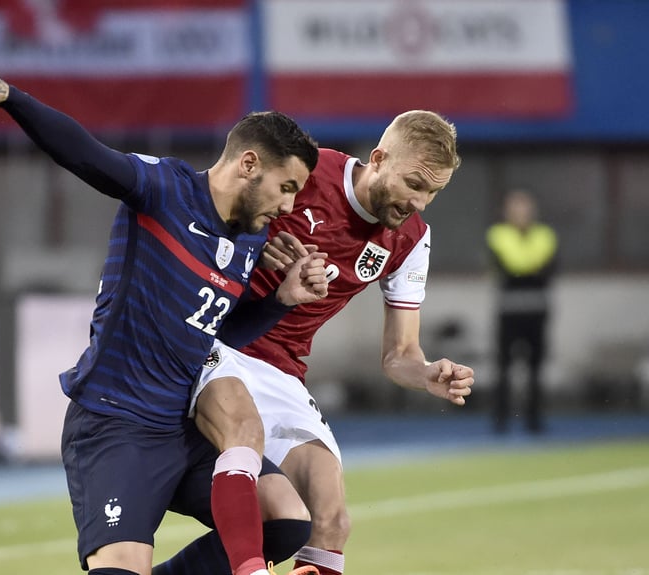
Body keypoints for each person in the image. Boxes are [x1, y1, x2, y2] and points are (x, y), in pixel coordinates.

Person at [0, 59, 326, 575]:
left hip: (181, 427)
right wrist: (9, 97)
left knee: (284, 518)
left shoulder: (250, 240)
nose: (288, 206)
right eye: (287, 187)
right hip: (115, 422)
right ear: (248, 164)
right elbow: (85, 154)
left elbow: (211, 334)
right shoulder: (163, 190)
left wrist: (279, 302)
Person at [156, 110, 474, 575]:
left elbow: (400, 354)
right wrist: (253, 240)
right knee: (253, 463)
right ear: (379, 158)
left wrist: (426, 374)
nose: (421, 202)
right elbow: (211, 212)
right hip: (215, 338)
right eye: (414, 184)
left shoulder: (410, 240)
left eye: (433, 192)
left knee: (331, 520)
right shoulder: (308, 170)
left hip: (280, 369)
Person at [486, 189, 558, 435]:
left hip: (537, 310)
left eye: (524, 207)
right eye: (515, 207)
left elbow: (548, 269)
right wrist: (530, 268)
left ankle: (534, 420)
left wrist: (525, 269)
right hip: (509, 310)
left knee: (536, 369)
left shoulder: (545, 235)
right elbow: (511, 266)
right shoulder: (498, 234)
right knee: (504, 367)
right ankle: (501, 420)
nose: (520, 213)